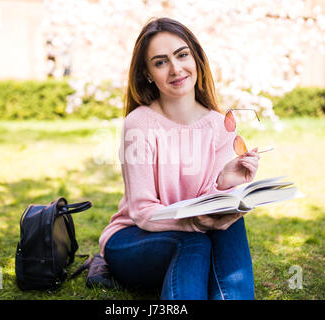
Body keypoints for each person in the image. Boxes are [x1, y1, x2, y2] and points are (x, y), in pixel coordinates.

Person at [98, 17, 260, 300]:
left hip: (197, 234)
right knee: (194, 242)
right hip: (134, 239)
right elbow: (143, 212)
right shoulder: (140, 125)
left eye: (182, 55)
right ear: (148, 73)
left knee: (229, 224)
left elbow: (212, 203)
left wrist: (224, 182)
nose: (176, 69)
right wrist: (197, 224)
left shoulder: (220, 125)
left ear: (195, 58)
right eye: (160, 62)